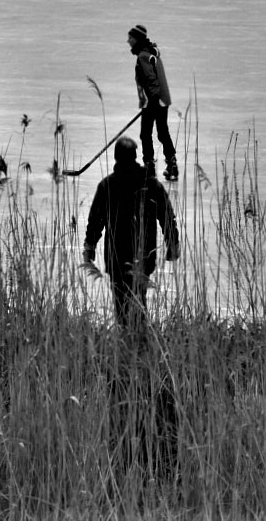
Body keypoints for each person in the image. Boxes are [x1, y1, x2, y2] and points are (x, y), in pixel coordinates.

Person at [83, 136, 180, 328]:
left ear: (116, 158)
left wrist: (90, 247)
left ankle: (128, 339)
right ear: (135, 156)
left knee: (121, 303)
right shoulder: (151, 184)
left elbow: (95, 221)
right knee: (138, 298)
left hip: (117, 257)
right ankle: (139, 340)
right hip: (143, 254)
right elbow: (167, 216)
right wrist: (173, 244)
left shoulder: (107, 185)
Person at [126, 25, 178, 179]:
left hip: (154, 102)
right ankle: (172, 165)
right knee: (162, 132)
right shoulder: (150, 52)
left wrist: (152, 101)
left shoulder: (143, 56)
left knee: (145, 134)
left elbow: (151, 80)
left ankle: (149, 168)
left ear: (137, 39)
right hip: (162, 101)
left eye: (130, 38)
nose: (128, 41)